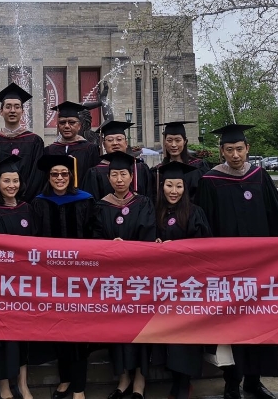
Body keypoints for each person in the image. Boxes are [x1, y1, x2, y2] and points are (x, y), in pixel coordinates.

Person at [198, 124, 278, 399]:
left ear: (248, 149)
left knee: (260, 323)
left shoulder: (259, 176)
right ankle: (231, 382)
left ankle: (254, 381)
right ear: (221, 152)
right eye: (229, 150)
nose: (235, 155)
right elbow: (205, 224)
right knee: (232, 326)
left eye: (239, 149)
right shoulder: (210, 180)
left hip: (260, 270)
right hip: (228, 269)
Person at [92, 151, 155, 399]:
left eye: (123, 174)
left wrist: (128, 247)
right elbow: (95, 237)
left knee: (140, 328)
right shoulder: (101, 205)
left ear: (131, 177)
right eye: (114, 174)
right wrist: (109, 246)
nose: (119, 179)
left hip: (138, 278)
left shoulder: (143, 203)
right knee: (117, 328)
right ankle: (123, 378)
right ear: (108, 178)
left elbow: (149, 234)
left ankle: (139, 380)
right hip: (113, 279)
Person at [30, 155, 94, 399]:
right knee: (58, 329)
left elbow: (94, 235)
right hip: (51, 279)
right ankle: (65, 379)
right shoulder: (39, 203)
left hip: (80, 279)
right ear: (48, 177)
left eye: (64, 174)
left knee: (78, 333)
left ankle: (79, 387)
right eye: (55, 174)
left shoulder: (85, 201)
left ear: (71, 176)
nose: (59, 178)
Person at [152, 161, 211, 399]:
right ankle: (175, 379)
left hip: (188, 286)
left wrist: (176, 249)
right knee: (167, 336)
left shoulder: (195, 213)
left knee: (185, 337)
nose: (173, 190)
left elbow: (205, 248)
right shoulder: (154, 211)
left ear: (186, 188)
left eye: (178, 186)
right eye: (169, 185)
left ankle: (183, 383)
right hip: (162, 286)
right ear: (162, 186)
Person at [0, 156, 37, 399]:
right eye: (6, 181)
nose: (11, 185)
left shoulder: (27, 209)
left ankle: (23, 384)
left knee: (22, 334)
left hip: (23, 284)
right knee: (0, 336)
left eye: (15, 180)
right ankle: (4, 386)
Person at [0, 83, 45, 202]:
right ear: (1, 111)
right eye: (8, 106)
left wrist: (23, 200)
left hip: (26, 204)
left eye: (17, 107)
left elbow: (37, 176)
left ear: (22, 111)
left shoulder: (34, 141)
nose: (12, 110)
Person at [82, 120, 154, 200]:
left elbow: (150, 196)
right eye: (110, 140)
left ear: (126, 143)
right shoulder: (95, 172)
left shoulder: (140, 168)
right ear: (104, 145)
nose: (115, 143)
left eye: (119, 139)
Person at [44, 101, 100, 188]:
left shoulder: (90, 149)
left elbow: (95, 180)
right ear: (58, 126)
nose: (66, 126)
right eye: (62, 123)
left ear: (79, 126)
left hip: (83, 199)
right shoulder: (49, 150)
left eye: (71, 122)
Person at [151, 121, 209, 203]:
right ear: (165, 142)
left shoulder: (198, 167)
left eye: (178, 140)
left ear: (185, 141)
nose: (173, 145)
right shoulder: (158, 171)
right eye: (169, 140)